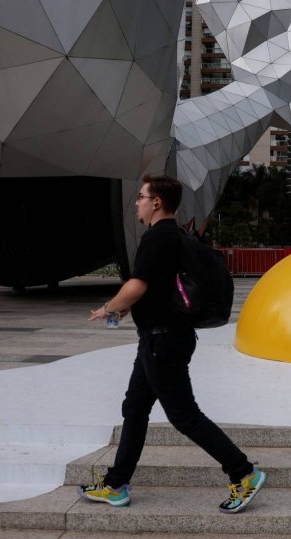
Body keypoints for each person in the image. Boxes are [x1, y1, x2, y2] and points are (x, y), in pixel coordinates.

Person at [81, 174, 266, 512]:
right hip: (158, 338)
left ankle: (244, 472)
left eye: (141, 196)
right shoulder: (175, 236)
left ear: (156, 202)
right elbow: (156, 289)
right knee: (135, 409)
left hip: (163, 342)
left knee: (184, 416)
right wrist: (126, 312)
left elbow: (137, 286)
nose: (136, 202)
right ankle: (116, 484)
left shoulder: (157, 237)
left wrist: (107, 308)